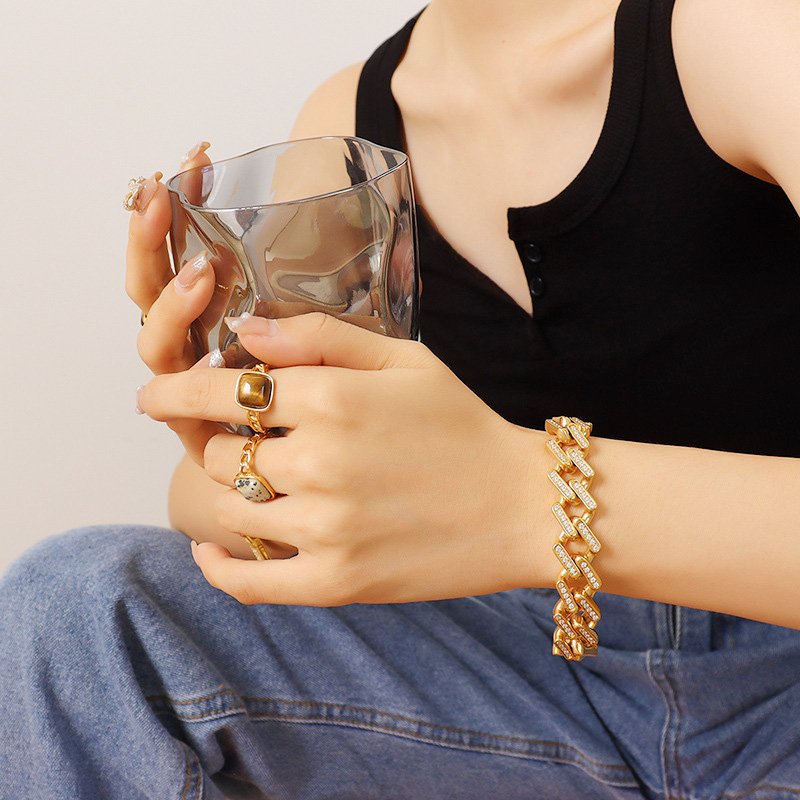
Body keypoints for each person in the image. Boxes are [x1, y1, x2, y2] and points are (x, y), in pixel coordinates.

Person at [2, 0, 799, 797]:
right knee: (72, 610)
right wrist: (234, 445)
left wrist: (517, 499)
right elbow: (238, 511)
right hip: (508, 673)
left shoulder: (747, 37)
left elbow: (475, 500)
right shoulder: (346, 127)